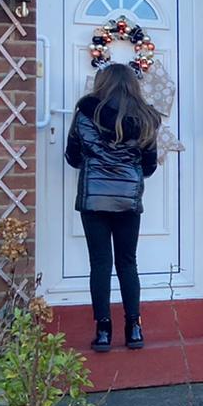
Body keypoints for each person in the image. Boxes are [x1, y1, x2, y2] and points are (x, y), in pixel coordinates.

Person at [65, 62, 162, 351]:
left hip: (94, 197)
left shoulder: (85, 113)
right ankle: (134, 329)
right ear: (133, 85)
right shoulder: (146, 118)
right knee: (127, 263)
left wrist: (96, 166)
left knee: (100, 264)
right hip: (128, 199)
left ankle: (103, 331)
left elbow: (72, 156)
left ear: (102, 83)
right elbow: (149, 166)